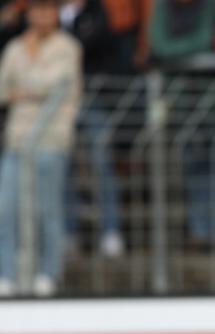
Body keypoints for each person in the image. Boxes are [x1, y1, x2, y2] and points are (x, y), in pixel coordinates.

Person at [0, 0, 81, 296]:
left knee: (48, 210)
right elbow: (3, 88)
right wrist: (30, 91)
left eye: (49, 9)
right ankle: (6, 274)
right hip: (18, 138)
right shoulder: (15, 47)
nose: (43, 15)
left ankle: (48, 273)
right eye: (38, 9)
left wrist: (22, 90)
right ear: (29, 13)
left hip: (51, 138)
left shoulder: (67, 46)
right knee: (6, 210)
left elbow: (59, 83)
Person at [60, 0, 125, 258]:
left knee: (101, 163)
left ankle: (111, 231)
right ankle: (68, 233)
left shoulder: (97, 11)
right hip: (60, 105)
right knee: (63, 168)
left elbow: (95, 44)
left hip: (94, 98)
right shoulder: (51, 13)